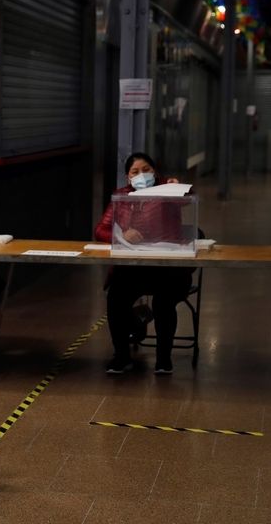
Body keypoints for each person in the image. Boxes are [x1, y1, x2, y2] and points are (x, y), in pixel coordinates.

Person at [94, 152, 192, 375]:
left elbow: (188, 198)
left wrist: (178, 187)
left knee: (164, 302)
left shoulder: (167, 191)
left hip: (168, 268)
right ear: (128, 177)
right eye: (135, 172)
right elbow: (100, 230)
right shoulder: (121, 196)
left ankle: (163, 360)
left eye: (146, 170)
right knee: (116, 298)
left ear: (155, 172)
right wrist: (121, 236)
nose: (141, 175)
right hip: (134, 268)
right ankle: (121, 356)